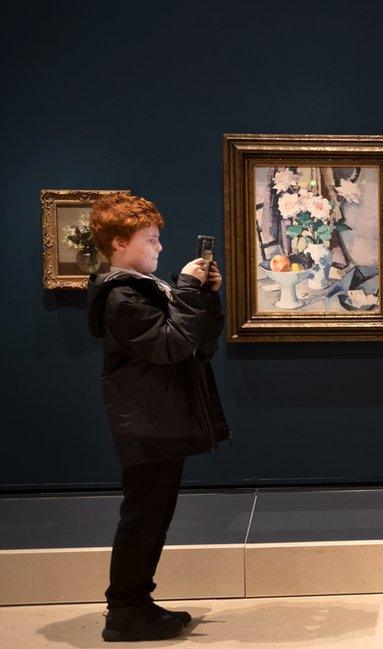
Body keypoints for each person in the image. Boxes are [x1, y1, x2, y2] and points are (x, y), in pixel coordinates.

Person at [86, 193, 231, 642]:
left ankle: (138, 603)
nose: (159, 247)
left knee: (154, 514)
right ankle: (125, 610)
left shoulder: (143, 289)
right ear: (117, 244)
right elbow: (169, 345)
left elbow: (196, 345)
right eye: (150, 240)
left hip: (159, 420)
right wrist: (186, 290)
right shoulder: (121, 296)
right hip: (146, 423)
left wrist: (204, 298)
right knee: (143, 515)